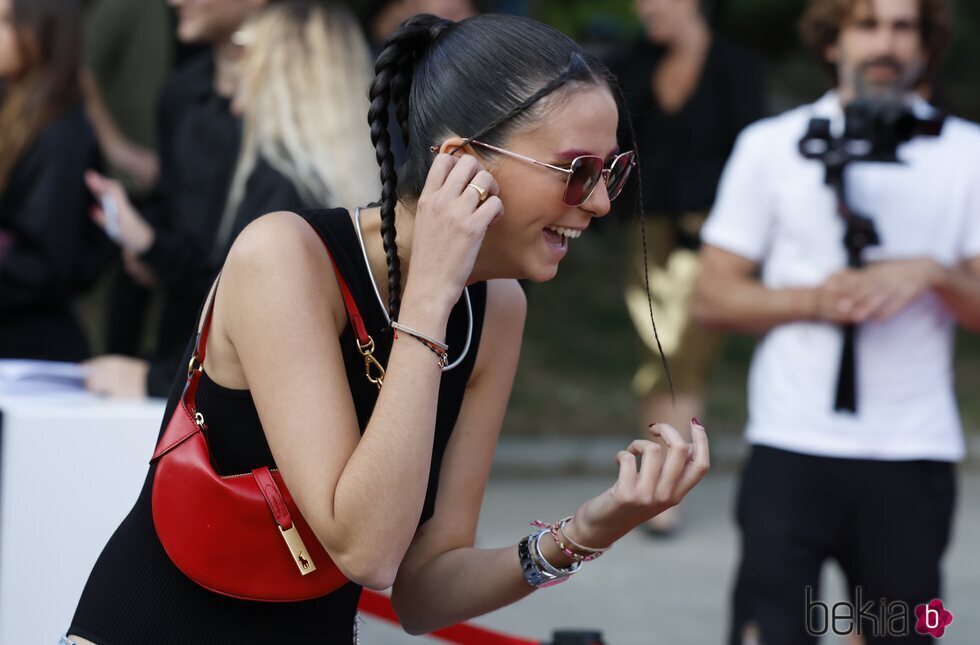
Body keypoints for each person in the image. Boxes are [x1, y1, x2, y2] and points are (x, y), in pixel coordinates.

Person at [66, 13, 710, 644]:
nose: (600, 203)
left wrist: (585, 532)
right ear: (461, 163)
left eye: (612, 171)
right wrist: (428, 298)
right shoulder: (286, 257)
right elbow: (366, 550)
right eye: (578, 172)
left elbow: (424, 592)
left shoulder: (497, 308)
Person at [692, 0, 980, 642]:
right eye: (867, 24)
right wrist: (816, 300)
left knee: (907, 630)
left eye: (904, 27)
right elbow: (712, 298)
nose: (886, 43)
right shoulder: (770, 146)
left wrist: (931, 273)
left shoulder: (967, 153)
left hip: (914, 449)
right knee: (769, 629)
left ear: (927, 44)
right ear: (831, 40)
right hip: (791, 441)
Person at [613, 0, 764, 536]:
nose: (644, 8)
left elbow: (753, 158)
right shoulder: (634, 61)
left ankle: (665, 485)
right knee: (654, 354)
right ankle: (659, 487)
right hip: (647, 234)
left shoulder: (736, 67)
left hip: (714, 239)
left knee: (684, 358)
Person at [81, 0, 282, 398]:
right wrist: (143, 238)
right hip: (181, 355)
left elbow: (251, 273)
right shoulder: (181, 91)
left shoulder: (296, 104)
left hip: (253, 381)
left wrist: (154, 247)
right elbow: (186, 237)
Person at [0, 0, 109, 361]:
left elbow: (43, 262)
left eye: (5, 22)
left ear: (42, 31)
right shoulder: (16, 110)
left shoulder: (60, 134)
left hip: (31, 348)